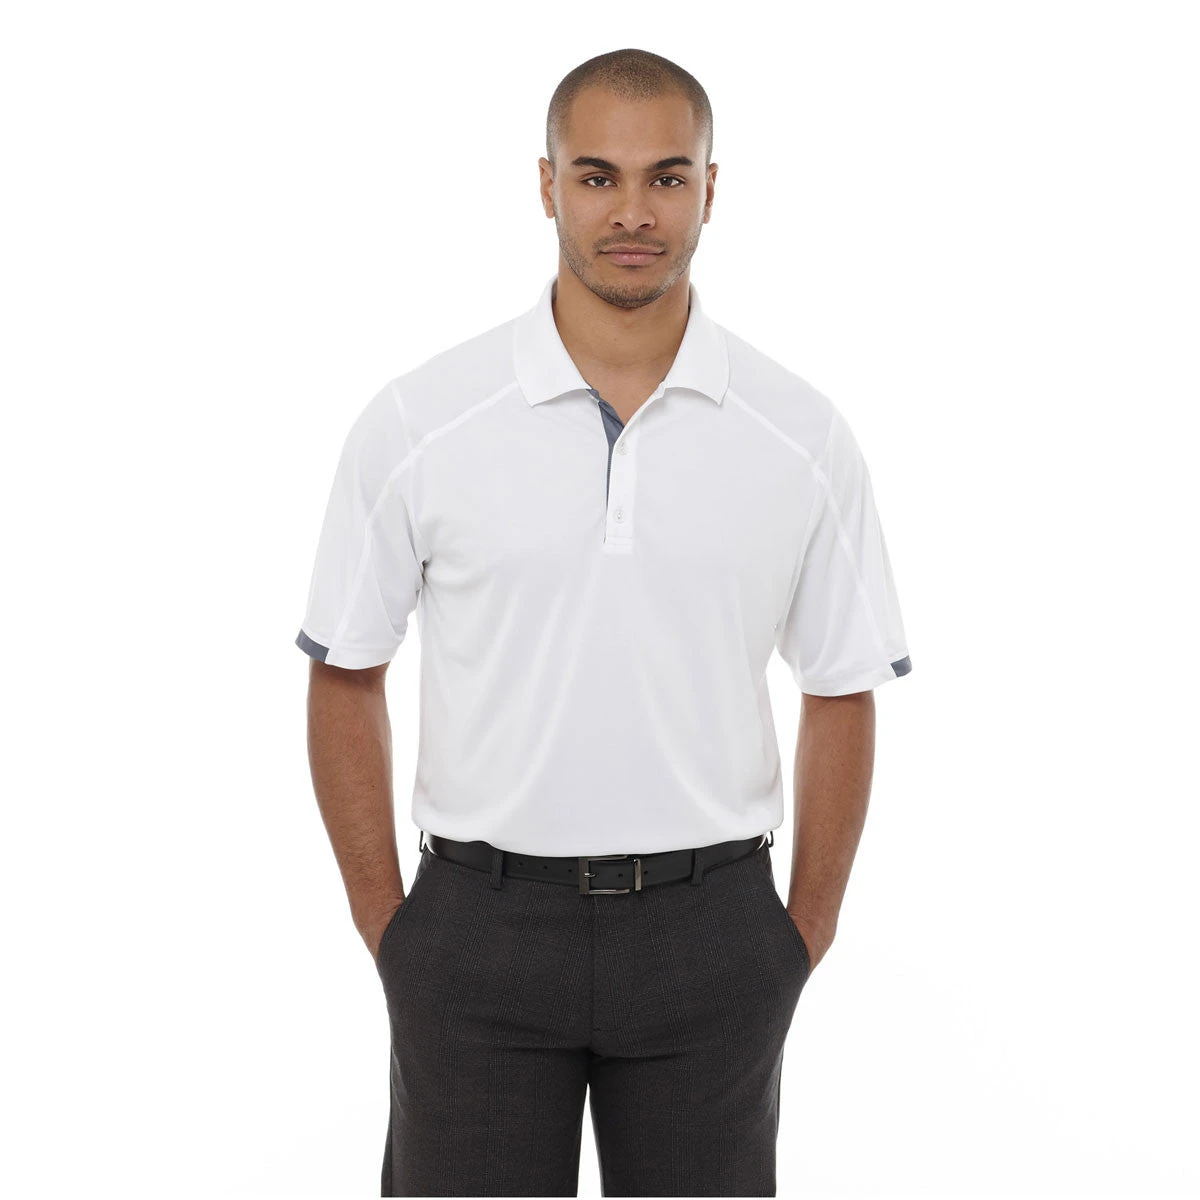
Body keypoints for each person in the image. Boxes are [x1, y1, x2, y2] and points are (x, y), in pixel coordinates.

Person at [295, 47, 912, 1199]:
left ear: (711, 189)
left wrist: (802, 934)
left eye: (667, 177)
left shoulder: (799, 436)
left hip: (711, 938)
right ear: (546, 185)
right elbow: (346, 670)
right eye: (597, 176)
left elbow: (840, 685)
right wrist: (393, 931)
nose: (633, 212)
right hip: (477, 934)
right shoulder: (422, 423)